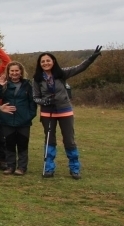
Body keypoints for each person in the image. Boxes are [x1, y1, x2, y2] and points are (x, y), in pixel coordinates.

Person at [32, 47, 102, 179]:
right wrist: (45, 101)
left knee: (69, 140)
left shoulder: (62, 73)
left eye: (48, 60)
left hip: (65, 110)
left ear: (53, 61)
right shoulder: (37, 78)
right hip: (48, 113)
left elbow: (79, 68)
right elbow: (35, 97)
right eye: (42, 61)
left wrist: (92, 58)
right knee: (49, 140)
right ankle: (49, 168)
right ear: (39, 64)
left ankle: (75, 168)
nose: (45, 63)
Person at [0, 61, 37, 175]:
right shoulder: (4, 84)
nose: (14, 73)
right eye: (12, 71)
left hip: (24, 121)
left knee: (22, 144)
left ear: (21, 71)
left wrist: (30, 116)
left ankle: (22, 167)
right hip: (7, 120)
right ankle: (10, 166)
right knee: (9, 144)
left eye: (16, 70)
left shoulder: (28, 85)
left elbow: (33, 103)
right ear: (8, 72)